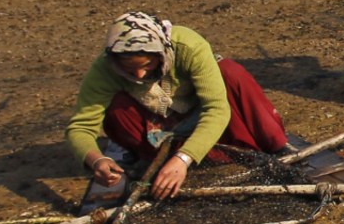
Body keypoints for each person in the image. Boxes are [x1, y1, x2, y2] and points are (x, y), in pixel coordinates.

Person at [66, 11, 290, 200]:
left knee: (231, 73)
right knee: (116, 108)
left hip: (199, 113)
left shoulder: (188, 46)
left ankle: (273, 146)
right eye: (129, 69)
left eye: (146, 65)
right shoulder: (104, 70)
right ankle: (160, 160)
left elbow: (217, 109)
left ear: (161, 52)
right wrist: (97, 160)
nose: (140, 75)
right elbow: (80, 128)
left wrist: (183, 158)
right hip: (162, 126)